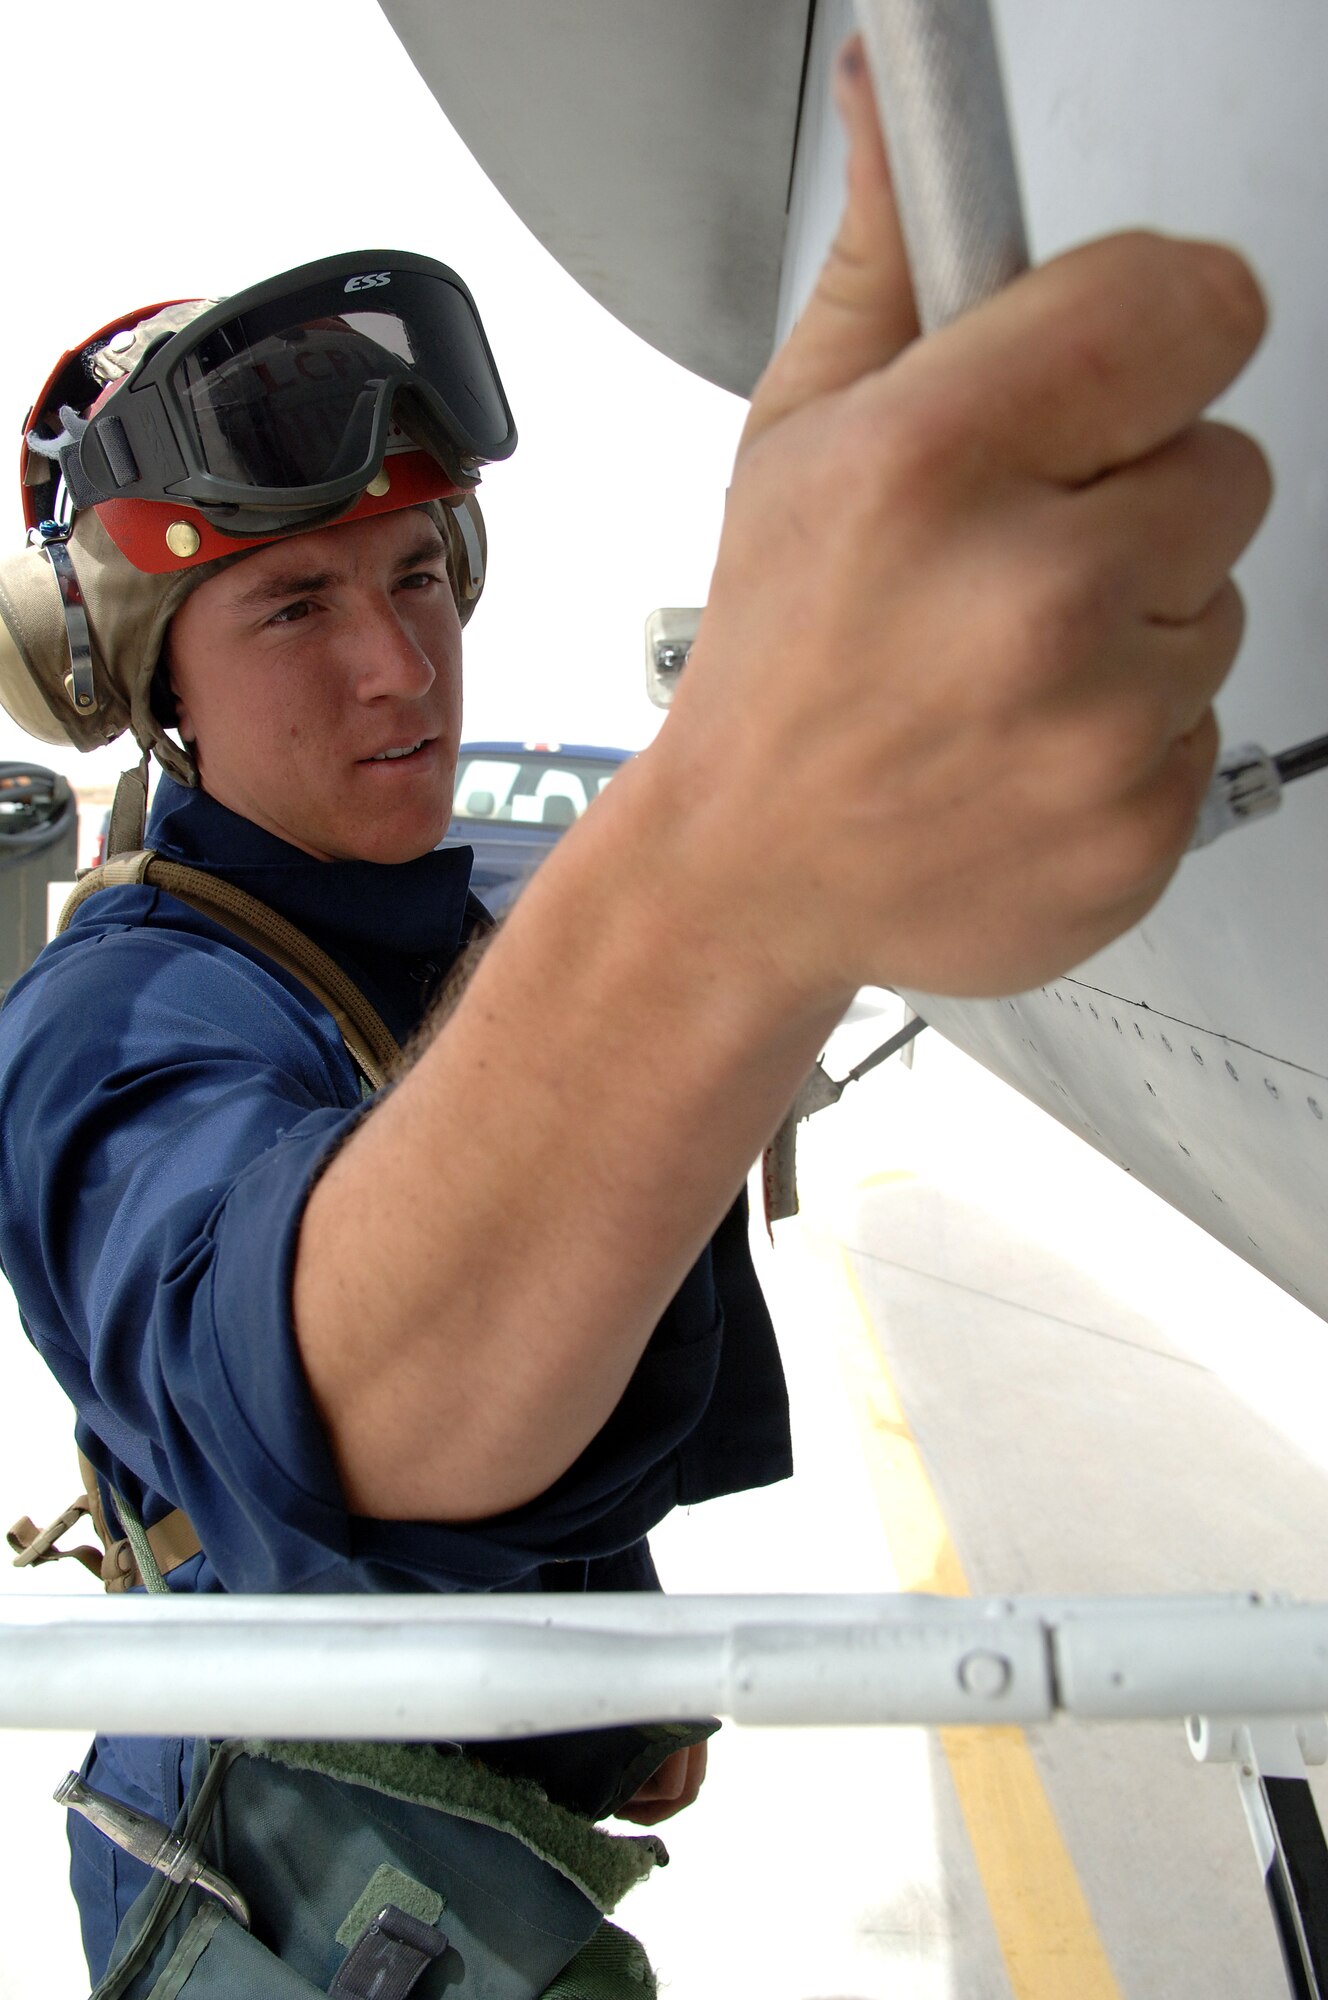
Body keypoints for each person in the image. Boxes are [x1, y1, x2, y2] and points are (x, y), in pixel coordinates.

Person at [0, 39, 1270, 1994]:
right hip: (283, 1898)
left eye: (419, 574)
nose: (396, 663)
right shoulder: (114, 1019)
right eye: (293, 609)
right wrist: (747, 852)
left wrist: (611, 1676)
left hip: (467, 1857)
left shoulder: (446, 931)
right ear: (149, 678)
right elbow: (334, 1395)